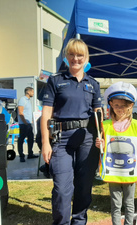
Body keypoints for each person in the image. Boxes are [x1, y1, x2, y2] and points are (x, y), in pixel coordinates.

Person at [41, 38, 102, 225]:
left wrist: (102, 137)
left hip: (87, 138)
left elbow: (98, 114)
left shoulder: (93, 84)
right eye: (72, 54)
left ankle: (79, 222)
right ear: (66, 57)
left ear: (86, 58)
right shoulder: (55, 81)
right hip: (61, 139)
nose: (76, 58)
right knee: (62, 189)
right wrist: (45, 142)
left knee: (84, 187)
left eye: (80, 55)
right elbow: (46, 115)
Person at [95, 81, 137, 225]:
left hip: (128, 171)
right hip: (114, 172)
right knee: (115, 204)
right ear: (110, 104)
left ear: (130, 106)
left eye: (123, 105)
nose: (120, 108)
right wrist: (100, 145)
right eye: (116, 105)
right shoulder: (105, 125)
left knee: (129, 203)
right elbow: (103, 147)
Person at [17, 87, 37, 162]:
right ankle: (21, 156)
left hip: (28, 123)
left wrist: (31, 121)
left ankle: (30, 154)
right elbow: (20, 112)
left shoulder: (28, 101)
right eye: (32, 91)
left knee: (31, 138)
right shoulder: (23, 100)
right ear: (28, 92)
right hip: (23, 124)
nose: (33, 93)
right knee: (21, 139)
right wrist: (25, 122)